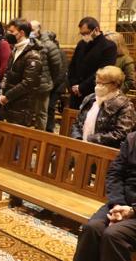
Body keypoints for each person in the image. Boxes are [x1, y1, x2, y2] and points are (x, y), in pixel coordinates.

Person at [72, 131, 136, 261]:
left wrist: (132, 211)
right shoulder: (132, 139)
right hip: (122, 203)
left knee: (113, 235)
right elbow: (115, 173)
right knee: (92, 228)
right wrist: (118, 205)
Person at [71, 66, 136, 148]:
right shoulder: (90, 99)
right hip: (81, 145)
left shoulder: (125, 106)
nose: (98, 86)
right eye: (97, 82)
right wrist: (78, 138)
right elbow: (77, 123)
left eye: (102, 83)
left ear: (115, 84)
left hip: (105, 151)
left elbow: (121, 133)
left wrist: (91, 139)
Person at [0, 19, 43, 128]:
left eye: (11, 31)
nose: (8, 34)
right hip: (10, 102)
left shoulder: (33, 54)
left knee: (18, 141)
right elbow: (7, 73)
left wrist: (7, 96)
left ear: (22, 33)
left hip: (23, 105)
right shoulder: (15, 49)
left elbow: (28, 83)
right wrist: (1, 92)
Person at [68, 17, 118, 108]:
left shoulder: (108, 46)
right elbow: (73, 66)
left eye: (86, 33)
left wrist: (82, 87)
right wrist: (72, 85)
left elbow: (103, 71)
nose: (84, 36)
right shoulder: (81, 44)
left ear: (96, 29)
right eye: (82, 34)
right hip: (76, 93)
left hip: (93, 92)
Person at [29, 20, 63, 130]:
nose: (31, 32)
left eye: (33, 30)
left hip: (43, 84)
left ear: (39, 29)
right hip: (29, 83)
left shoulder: (49, 45)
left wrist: (48, 79)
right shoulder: (28, 43)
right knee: (28, 111)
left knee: (41, 113)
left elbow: (56, 66)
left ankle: (40, 137)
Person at [46, 31, 68, 132]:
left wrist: (51, 85)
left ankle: (50, 129)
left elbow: (61, 73)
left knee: (50, 107)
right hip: (50, 84)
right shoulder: (48, 50)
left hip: (58, 85)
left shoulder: (59, 52)